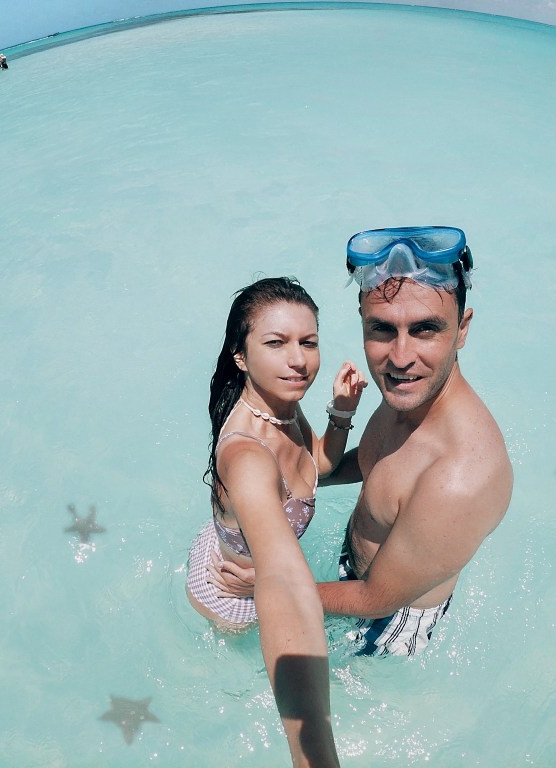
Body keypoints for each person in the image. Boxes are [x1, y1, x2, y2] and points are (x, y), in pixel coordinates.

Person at [213, 227, 513, 657]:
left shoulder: (460, 479)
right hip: (353, 578)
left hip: (388, 622)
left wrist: (272, 584)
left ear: (462, 329)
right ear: (361, 319)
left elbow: (377, 599)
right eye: (382, 329)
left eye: (425, 329)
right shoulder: (409, 395)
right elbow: (374, 461)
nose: (401, 358)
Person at [186, 276, 366, 767]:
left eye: (308, 342)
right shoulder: (247, 458)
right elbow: (283, 583)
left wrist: (342, 412)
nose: (298, 360)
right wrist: (313, 755)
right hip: (233, 596)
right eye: (276, 343)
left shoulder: (280, 408)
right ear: (240, 356)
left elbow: (315, 467)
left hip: (243, 560)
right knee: (238, 695)